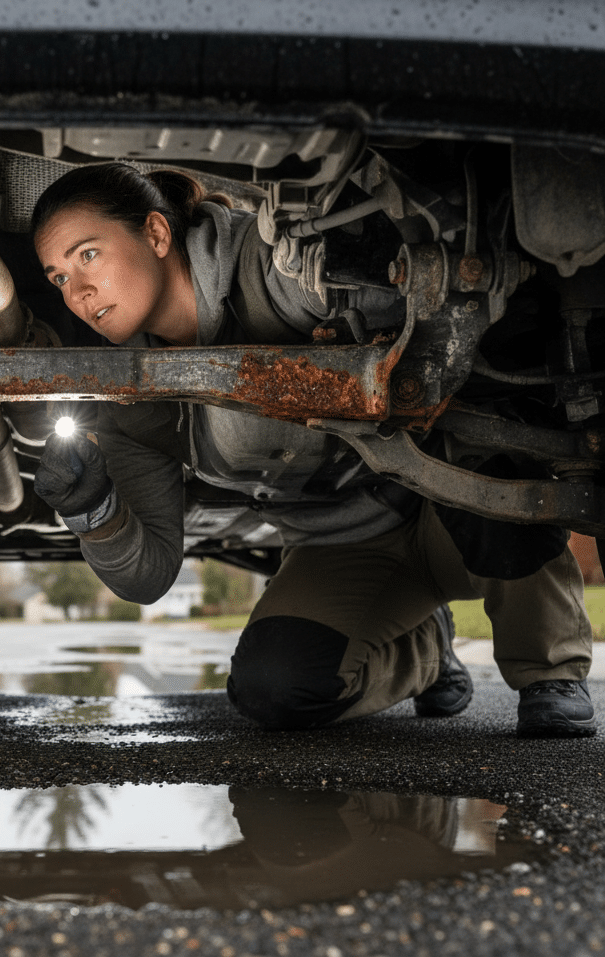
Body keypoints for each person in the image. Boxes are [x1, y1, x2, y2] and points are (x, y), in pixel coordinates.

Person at [30, 162, 596, 738]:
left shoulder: (266, 267)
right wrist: (92, 510)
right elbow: (147, 576)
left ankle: (549, 671)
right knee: (273, 689)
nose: (77, 293)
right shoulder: (132, 400)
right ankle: (426, 650)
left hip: (444, 503)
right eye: (57, 278)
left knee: (493, 468)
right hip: (344, 548)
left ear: (155, 234)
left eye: (88, 256)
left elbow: (427, 313)